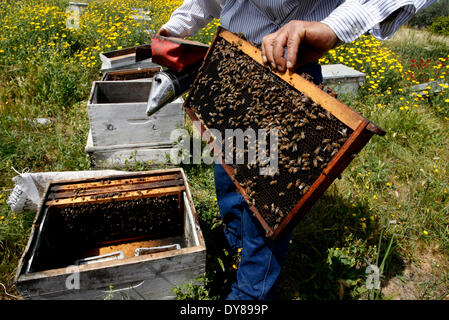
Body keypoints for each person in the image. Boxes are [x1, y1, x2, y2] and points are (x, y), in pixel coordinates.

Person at [157, 0, 435, 300]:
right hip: (232, 60)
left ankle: (250, 296)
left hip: (288, 70)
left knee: (266, 198)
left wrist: (334, 27)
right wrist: (176, 27)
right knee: (227, 177)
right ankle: (236, 251)